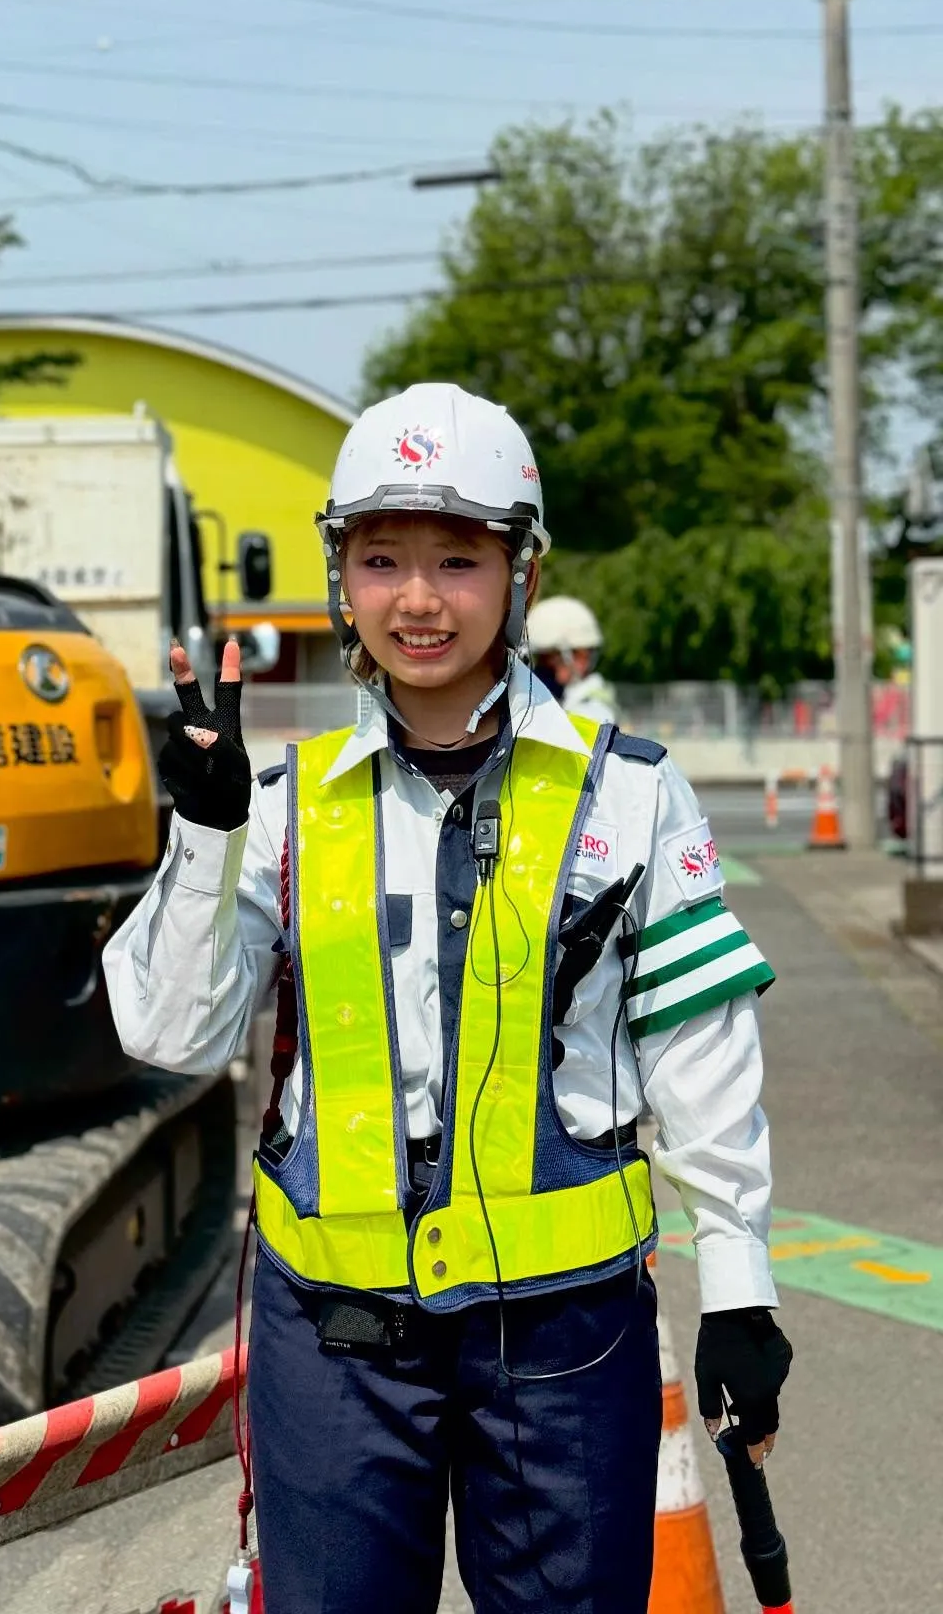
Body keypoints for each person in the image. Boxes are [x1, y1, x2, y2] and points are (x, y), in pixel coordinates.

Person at [102, 382, 792, 1614]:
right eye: (382, 559)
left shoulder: (628, 797)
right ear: (341, 573)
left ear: (520, 570)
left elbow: (699, 1054)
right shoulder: (281, 806)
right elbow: (168, 1033)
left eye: (457, 559)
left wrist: (739, 1285)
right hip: (333, 1353)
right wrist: (203, 838)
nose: (418, 599)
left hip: (568, 1346)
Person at [527, 592, 618, 725]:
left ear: (580, 657)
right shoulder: (568, 703)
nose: (540, 671)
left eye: (548, 661)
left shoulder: (590, 713)